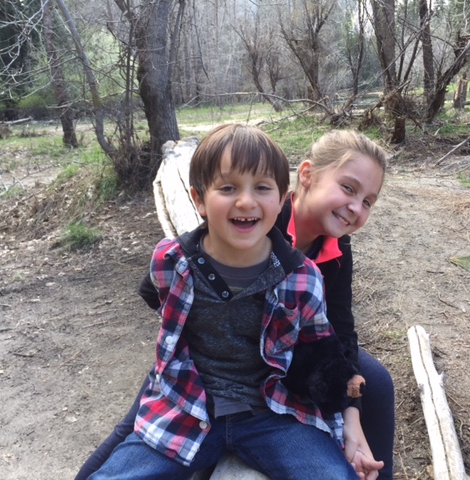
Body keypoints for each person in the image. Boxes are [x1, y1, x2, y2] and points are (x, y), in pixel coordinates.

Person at [77, 129, 394, 480]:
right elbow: (160, 288)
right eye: (348, 188)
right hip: (203, 367)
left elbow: (338, 332)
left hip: (278, 363)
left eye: (368, 201)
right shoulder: (254, 217)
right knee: (134, 426)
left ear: (277, 194)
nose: (355, 206)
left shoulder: (325, 256)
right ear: (305, 177)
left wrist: (349, 414)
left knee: (375, 382)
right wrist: (196, 333)